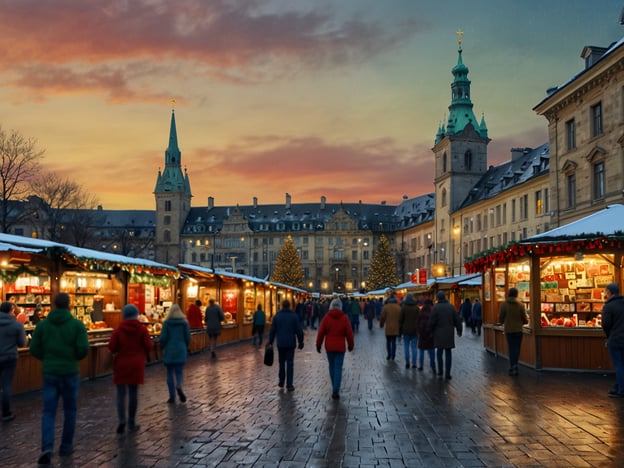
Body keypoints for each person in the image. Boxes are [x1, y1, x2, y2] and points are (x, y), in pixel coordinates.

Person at [29, 293, 89, 465]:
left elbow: (34, 348)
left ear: (54, 304)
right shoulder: (77, 326)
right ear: (69, 305)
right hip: (70, 371)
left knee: (48, 411)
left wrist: (47, 358)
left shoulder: (43, 325)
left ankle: (47, 447)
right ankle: (66, 445)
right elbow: (83, 348)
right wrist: (73, 357)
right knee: (70, 410)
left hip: (50, 372)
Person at [108, 304, 153, 434]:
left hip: (121, 363)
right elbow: (149, 346)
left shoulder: (118, 329)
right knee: (133, 393)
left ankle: (122, 419)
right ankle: (131, 422)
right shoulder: (142, 329)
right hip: (137, 363)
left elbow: (112, 347)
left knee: (121, 394)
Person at [316, 298, 354, 400]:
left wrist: (318, 344)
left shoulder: (327, 317)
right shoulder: (344, 318)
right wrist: (351, 345)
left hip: (329, 346)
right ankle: (335, 390)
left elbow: (321, 332)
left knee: (332, 367)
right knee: (338, 368)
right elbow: (349, 333)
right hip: (340, 347)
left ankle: (334, 387)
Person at [268, 300, 304, 391]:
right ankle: (289, 384)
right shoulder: (294, 316)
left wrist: (270, 341)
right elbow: (299, 330)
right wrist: (301, 341)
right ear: (289, 306)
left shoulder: (277, 316)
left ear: (282, 306)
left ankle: (281, 380)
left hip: (280, 343)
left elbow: (272, 330)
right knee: (290, 364)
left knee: (281, 363)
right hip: (290, 343)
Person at [0, 301, 26, 422]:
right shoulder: (16, 325)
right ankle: (6, 413)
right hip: (10, 357)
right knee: (6, 385)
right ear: (11, 310)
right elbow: (22, 343)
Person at [160, 304, 191, 404]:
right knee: (179, 371)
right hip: (181, 349)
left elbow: (163, 338)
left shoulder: (167, 323)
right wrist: (185, 346)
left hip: (169, 349)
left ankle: (172, 396)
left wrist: (162, 346)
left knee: (169, 373)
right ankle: (179, 385)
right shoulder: (184, 323)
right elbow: (187, 337)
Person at [429, 290, 462, 380]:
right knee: (448, 353)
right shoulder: (451, 307)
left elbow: (431, 322)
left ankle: (440, 371)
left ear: (438, 298)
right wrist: (459, 330)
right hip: (449, 334)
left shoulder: (435, 308)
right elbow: (457, 319)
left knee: (439, 353)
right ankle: (448, 373)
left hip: (438, 334)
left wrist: (430, 332)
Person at [498, 287, 528, 376]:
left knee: (511, 348)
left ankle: (512, 366)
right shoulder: (520, 305)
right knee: (517, 348)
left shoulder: (503, 305)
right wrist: (522, 322)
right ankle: (515, 364)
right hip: (518, 330)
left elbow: (501, 319)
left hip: (508, 330)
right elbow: (525, 319)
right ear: (516, 294)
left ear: (508, 294)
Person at [602, 283, 624, 397]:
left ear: (609, 292)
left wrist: (608, 336)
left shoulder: (608, 306)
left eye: (606, 292)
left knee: (619, 364)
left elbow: (605, 324)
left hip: (615, 339)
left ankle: (621, 389)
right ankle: (617, 386)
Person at [399, 293, 420, 369]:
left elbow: (400, 320)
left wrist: (400, 330)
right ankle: (414, 363)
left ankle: (407, 362)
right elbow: (419, 319)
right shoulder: (416, 308)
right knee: (414, 347)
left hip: (406, 330)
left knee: (406, 347)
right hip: (415, 330)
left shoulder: (404, 308)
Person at [416, 298, 436, 373]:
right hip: (430, 335)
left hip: (422, 335)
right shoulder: (432, 313)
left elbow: (417, 323)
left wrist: (418, 332)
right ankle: (433, 366)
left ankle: (421, 366)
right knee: (431, 352)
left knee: (421, 351)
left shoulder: (421, 313)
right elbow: (434, 324)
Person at [380, 294, 401, 360]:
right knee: (394, 342)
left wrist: (381, 324)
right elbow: (400, 318)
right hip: (396, 328)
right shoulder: (398, 307)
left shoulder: (385, 307)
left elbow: (382, 317)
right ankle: (393, 355)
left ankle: (389, 354)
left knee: (388, 342)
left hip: (388, 328)